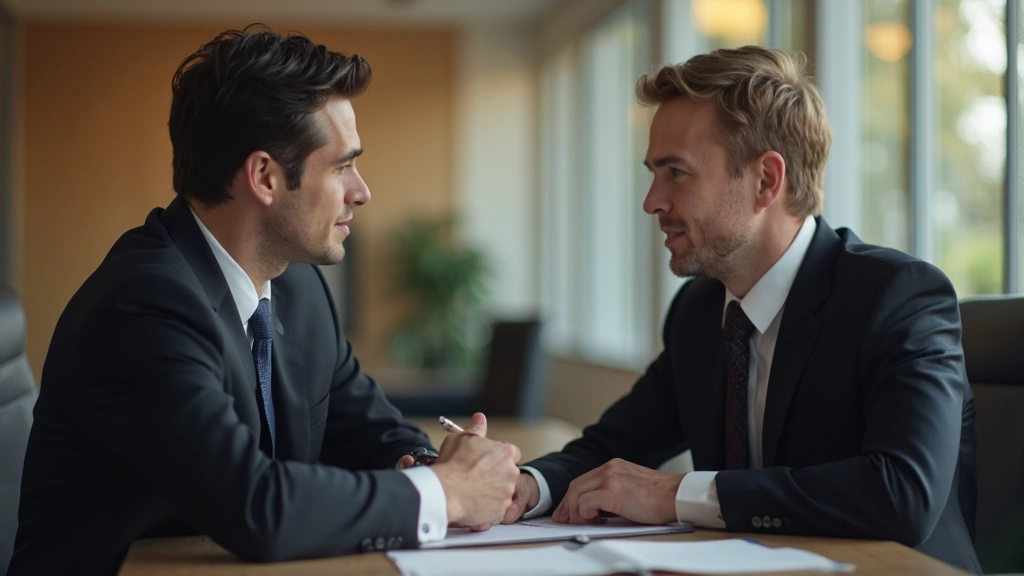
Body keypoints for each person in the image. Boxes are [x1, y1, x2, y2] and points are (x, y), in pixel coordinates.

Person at [9, 26, 520, 575]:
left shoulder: (297, 288)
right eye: (343, 165)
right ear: (264, 177)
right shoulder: (143, 307)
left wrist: (430, 463)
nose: (362, 192)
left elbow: (370, 430)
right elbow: (256, 508)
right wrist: (446, 493)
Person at [502, 46, 979, 573]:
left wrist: (676, 494)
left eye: (676, 173)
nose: (652, 201)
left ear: (766, 181)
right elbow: (615, 447)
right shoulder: (700, 310)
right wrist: (525, 486)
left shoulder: (898, 296)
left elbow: (900, 495)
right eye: (653, 173)